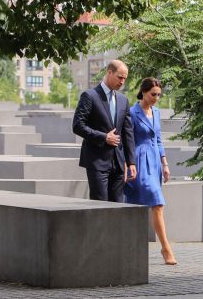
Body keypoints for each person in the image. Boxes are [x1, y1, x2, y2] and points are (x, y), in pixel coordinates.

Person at [125, 77, 177, 265]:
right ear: (143, 92)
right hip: (138, 161)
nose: (156, 98)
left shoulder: (156, 112)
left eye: (158, 95)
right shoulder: (131, 113)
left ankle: (132, 249)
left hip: (154, 161)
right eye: (153, 94)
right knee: (157, 203)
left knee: (140, 205)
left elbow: (158, 139)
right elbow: (127, 141)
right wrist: (128, 164)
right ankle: (166, 247)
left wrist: (165, 164)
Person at [72, 60, 137, 202]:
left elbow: (128, 133)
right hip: (97, 162)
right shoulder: (89, 96)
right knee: (100, 207)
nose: (122, 82)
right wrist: (103, 137)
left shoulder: (123, 100)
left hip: (119, 164)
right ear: (109, 73)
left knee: (117, 207)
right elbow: (77, 125)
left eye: (125, 78)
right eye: (120, 77)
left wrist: (131, 162)